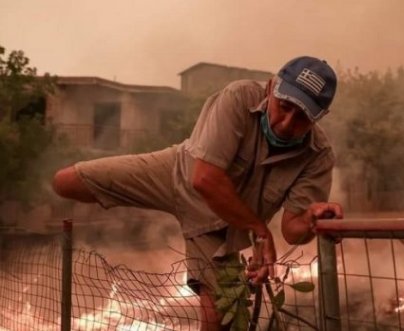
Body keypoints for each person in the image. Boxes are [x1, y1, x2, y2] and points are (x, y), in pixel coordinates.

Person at [51, 55, 343, 330]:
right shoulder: (238, 97)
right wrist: (259, 230)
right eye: (284, 106)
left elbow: (293, 231)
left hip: (222, 226)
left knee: (219, 319)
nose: (287, 123)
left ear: (319, 118)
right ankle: (117, 207)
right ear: (271, 87)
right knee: (65, 182)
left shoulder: (318, 155)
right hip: (177, 173)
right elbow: (204, 178)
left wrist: (312, 220)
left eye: (302, 117)